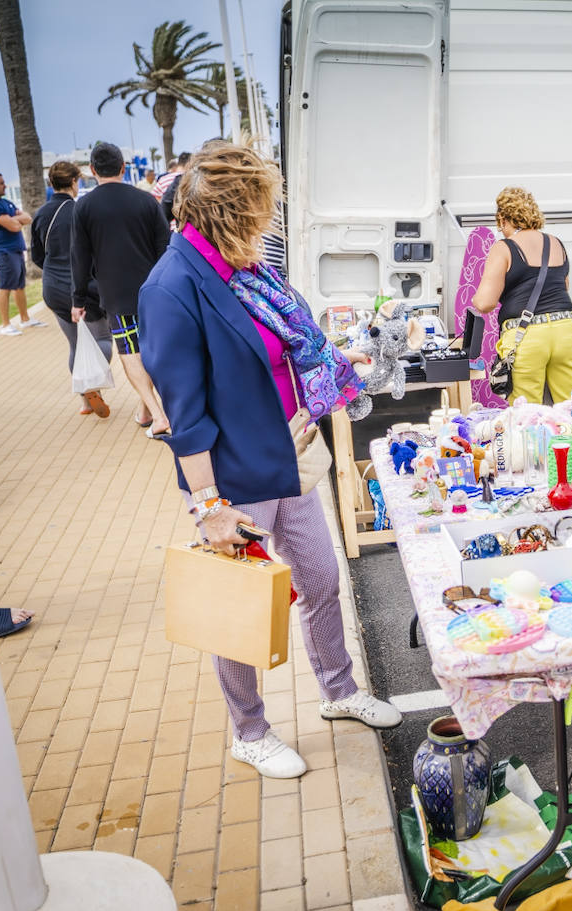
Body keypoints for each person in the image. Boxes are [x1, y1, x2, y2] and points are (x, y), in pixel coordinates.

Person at [139, 143, 399, 780]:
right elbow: (185, 413)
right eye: (260, 210)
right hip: (232, 479)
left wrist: (338, 364)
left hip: (289, 454)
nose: (269, 221)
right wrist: (209, 508)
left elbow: (287, 343)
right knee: (239, 611)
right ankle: (249, 731)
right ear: (228, 213)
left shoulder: (247, 268)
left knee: (321, 581)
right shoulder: (172, 286)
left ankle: (338, 693)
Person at [71, 142, 172, 437]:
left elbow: (80, 256)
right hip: (154, 291)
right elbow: (164, 248)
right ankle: (146, 410)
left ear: (92, 170)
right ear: (123, 168)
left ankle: (158, 414)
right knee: (152, 349)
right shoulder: (146, 201)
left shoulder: (84, 207)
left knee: (131, 352)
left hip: (116, 294)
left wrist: (78, 298)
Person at [470, 186, 572, 404]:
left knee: (527, 415)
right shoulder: (556, 243)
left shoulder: (504, 247)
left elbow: (484, 303)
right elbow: (564, 285)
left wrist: (475, 297)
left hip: (527, 336)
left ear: (503, 219)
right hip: (565, 330)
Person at [31, 160, 114, 417]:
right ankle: (92, 385)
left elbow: (36, 256)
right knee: (102, 338)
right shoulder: (80, 211)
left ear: (51, 184)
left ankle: (86, 402)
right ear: (75, 182)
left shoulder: (41, 214)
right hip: (83, 286)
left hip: (53, 288)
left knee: (75, 345)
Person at [0, 171, 44, 336]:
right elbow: (15, 226)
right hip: (4, 252)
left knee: (19, 286)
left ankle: (25, 318)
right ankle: (6, 324)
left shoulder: (6, 203)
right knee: (5, 286)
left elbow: (28, 218)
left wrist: (13, 219)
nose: (5, 185)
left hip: (16, 250)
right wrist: (15, 220)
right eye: (1, 183)